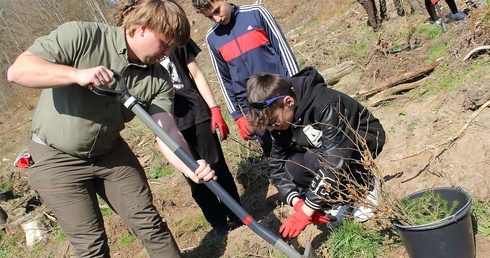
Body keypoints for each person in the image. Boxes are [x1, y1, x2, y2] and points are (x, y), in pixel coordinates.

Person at [6, 0, 217, 257]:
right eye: (165, 42)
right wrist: (76, 75)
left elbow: (167, 131)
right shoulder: (82, 36)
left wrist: (190, 166)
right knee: (91, 246)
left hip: (109, 154)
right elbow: (18, 71)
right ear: (141, 28)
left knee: (150, 225)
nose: (168, 52)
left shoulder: (158, 79)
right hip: (56, 159)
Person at [245, 66, 386, 238]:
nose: (272, 128)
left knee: (315, 159)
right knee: (293, 167)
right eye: (268, 125)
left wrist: (307, 210)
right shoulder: (280, 122)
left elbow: (335, 158)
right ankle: (344, 198)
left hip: (362, 140)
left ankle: (367, 186)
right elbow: (277, 166)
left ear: (289, 102)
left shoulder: (325, 103)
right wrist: (298, 203)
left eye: (274, 122)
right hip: (324, 151)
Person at [191, 0, 299, 157]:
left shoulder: (256, 13)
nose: (217, 19)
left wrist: (296, 82)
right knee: (276, 156)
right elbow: (224, 79)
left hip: (280, 95)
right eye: (210, 17)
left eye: (217, 11)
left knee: (300, 142)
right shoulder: (212, 38)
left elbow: (282, 49)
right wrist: (237, 115)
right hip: (253, 107)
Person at [159, 38, 243, 238]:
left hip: (197, 115)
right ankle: (218, 223)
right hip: (171, 123)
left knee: (217, 168)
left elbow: (196, 74)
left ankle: (238, 215)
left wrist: (214, 108)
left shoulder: (176, 38)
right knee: (194, 178)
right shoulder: (139, 54)